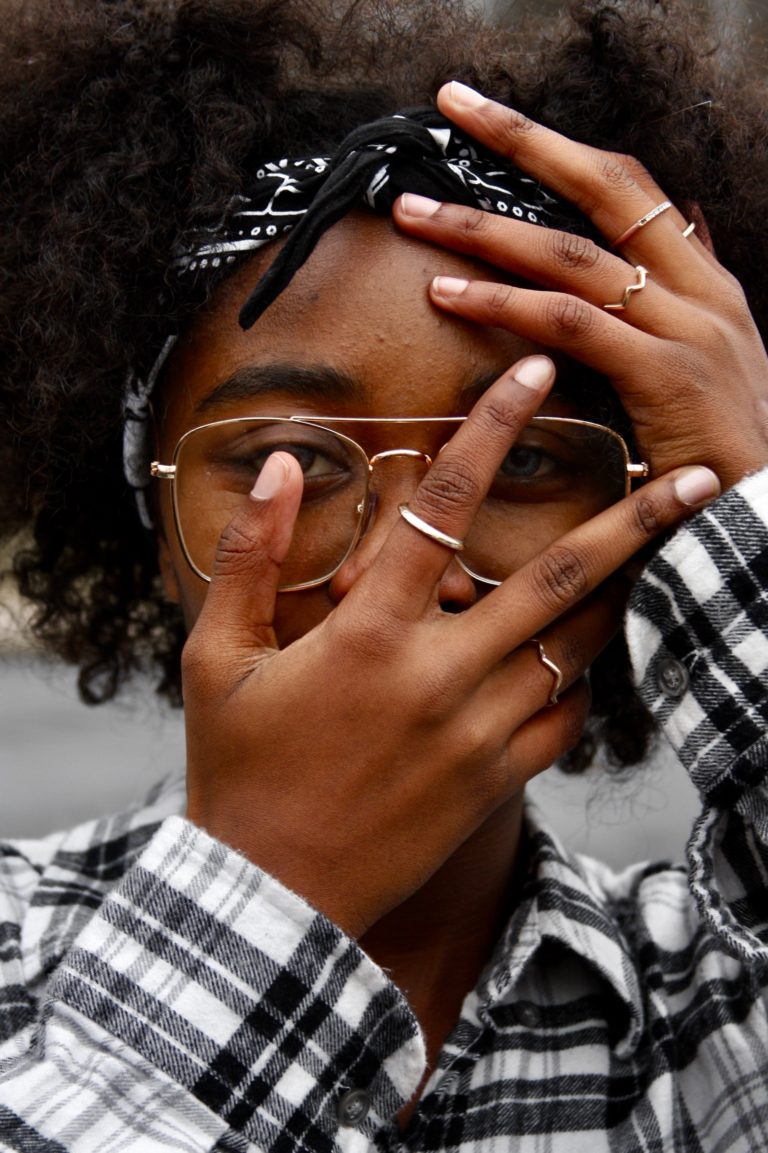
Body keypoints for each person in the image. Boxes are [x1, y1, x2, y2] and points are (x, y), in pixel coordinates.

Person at [1, 0, 767, 1149]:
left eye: (528, 455)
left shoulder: (722, 1006)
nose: (395, 573)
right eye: (288, 461)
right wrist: (271, 888)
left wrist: (754, 500)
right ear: (153, 524)